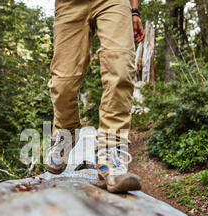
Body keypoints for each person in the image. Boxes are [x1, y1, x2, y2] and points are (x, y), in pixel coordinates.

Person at [45, 0, 145, 193]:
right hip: (69, 5)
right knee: (63, 82)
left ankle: (111, 153)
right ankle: (66, 132)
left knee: (120, 69)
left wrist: (134, 11)